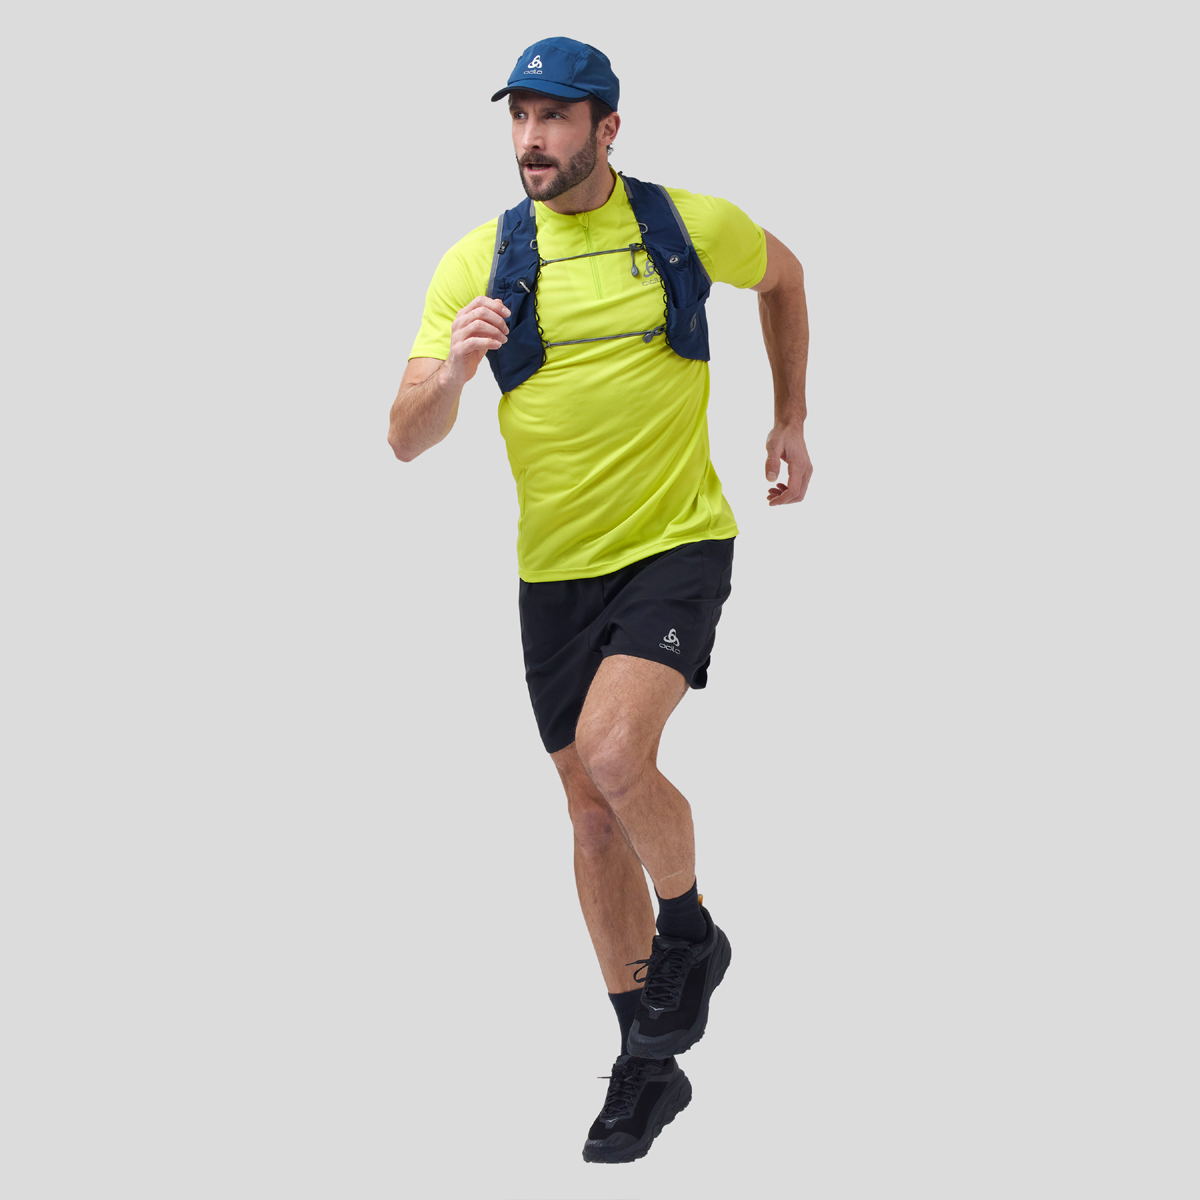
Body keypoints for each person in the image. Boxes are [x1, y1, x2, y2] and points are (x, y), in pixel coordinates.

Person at [389, 36, 812, 1164]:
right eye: (520, 117)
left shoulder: (684, 226)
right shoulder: (482, 261)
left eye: (556, 117)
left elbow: (783, 276)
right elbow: (404, 438)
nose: (532, 139)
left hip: (677, 543)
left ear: (607, 128)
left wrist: (790, 415)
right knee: (587, 817)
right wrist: (455, 369)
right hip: (554, 576)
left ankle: (692, 930)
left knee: (617, 755)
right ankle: (648, 1061)